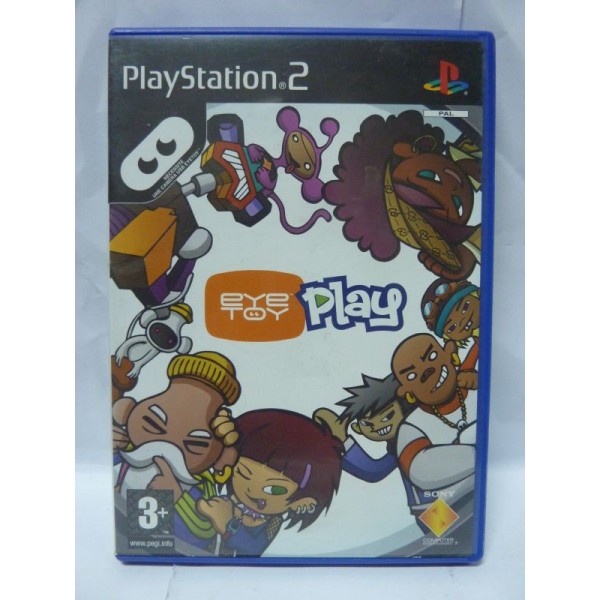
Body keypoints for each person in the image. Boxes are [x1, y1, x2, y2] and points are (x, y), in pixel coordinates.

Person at [112, 351, 240, 551]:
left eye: (196, 444)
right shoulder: (127, 456)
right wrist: (114, 445)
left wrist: (179, 496)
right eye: (152, 423)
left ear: (222, 457)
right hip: (128, 538)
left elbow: (205, 530)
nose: (168, 443)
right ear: (127, 411)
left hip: (170, 549)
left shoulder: (197, 486)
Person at [197, 409, 343, 557]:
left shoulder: (272, 522)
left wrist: (226, 526)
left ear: (303, 501)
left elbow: (253, 549)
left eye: (274, 489)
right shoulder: (226, 501)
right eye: (243, 474)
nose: (251, 490)